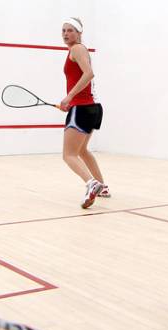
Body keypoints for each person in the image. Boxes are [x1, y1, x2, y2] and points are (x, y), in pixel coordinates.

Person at [60, 17, 109, 209]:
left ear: (79, 32)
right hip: (92, 108)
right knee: (81, 151)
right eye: (63, 30)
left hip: (81, 108)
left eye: (70, 30)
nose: (65, 34)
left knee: (68, 155)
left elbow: (89, 74)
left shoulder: (77, 48)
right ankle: (102, 186)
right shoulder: (80, 50)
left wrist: (69, 97)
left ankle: (92, 183)